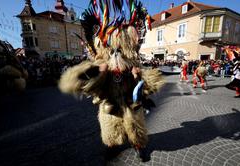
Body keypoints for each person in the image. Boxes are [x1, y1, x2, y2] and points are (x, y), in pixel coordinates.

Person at [58, 0, 164, 161]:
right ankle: (112, 147)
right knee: (111, 129)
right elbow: (74, 82)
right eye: (112, 48)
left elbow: (151, 84)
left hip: (130, 102)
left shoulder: (132, 65)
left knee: (136, 128)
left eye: (120, 48)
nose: (116, 53)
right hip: (110, 103)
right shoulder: (102, 66)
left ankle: (139, 146)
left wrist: (140, 76)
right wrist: (94, 73)